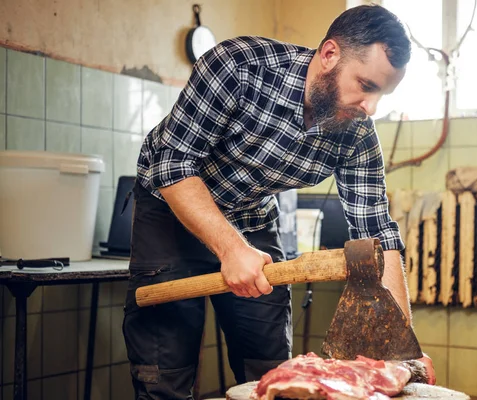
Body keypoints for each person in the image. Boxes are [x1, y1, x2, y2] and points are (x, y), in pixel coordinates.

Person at [122, 4, 435, 398]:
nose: (370, 108)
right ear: (329, 55)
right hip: (169, 211)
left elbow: (377, 235)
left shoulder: (357, 133)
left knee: (272, 372)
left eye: (382, 94)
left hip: (252, 218)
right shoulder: (237, 66)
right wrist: (230, 249)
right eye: (366, 86)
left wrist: (400, 347)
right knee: (163, 372)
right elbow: (173, 163)